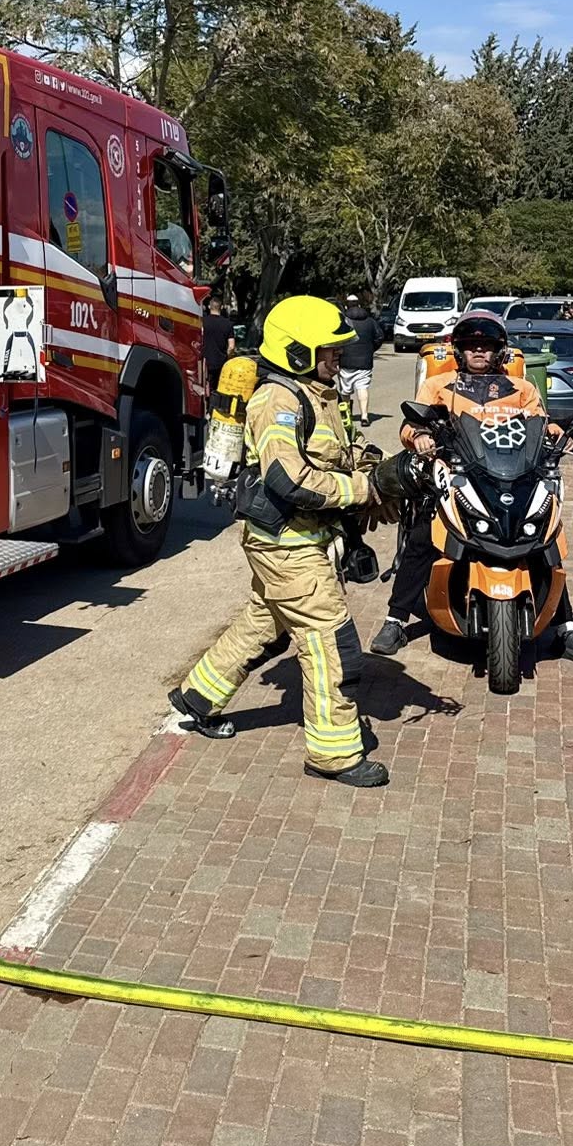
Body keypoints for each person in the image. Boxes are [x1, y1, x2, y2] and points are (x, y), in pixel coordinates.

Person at [169, 295, 388, 786]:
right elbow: (288, 480)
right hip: (287, 543)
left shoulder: (321, 394)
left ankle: (198, 696)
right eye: (329, 352)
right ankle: (333, 755)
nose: (339, 359)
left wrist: (379, 468)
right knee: (330, 642)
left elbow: (338, 455)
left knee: (265, 624)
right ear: (296, 352)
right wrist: (362, 491)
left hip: (301, 540)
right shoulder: (277, 400)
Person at [370, 310, 573, 665]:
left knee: (546, 537)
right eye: (470, 346)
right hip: (456, 474)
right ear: (459, 351)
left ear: (499, 351)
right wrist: (418, 436)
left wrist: (559, 435)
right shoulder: (439, 386)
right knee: (424, 534)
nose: (478, 352)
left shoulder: (522, 389)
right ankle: (396, 619)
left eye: (486, 346)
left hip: (512, 477)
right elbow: (411, 424)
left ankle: (565, 628)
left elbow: (541, 424)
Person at [338, 293, 384, 427]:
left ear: (346, 305)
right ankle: (364, 416)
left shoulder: (343, 321)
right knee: (362, 388)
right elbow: (380, 337)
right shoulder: (370, 321)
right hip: (365, 362)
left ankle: (346, 415)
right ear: (359, 305)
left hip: (345, 361)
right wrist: (370, 349)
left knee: (345, 390)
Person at [201, 294, 235, 396]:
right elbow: (231, 346)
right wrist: (228, 357)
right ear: (221, 307)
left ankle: (206, 406)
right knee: (219, 388)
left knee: (206, 387)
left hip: (205, 361)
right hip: (221, 362)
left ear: (209, 307)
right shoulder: (228, 324)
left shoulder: (202, 322)